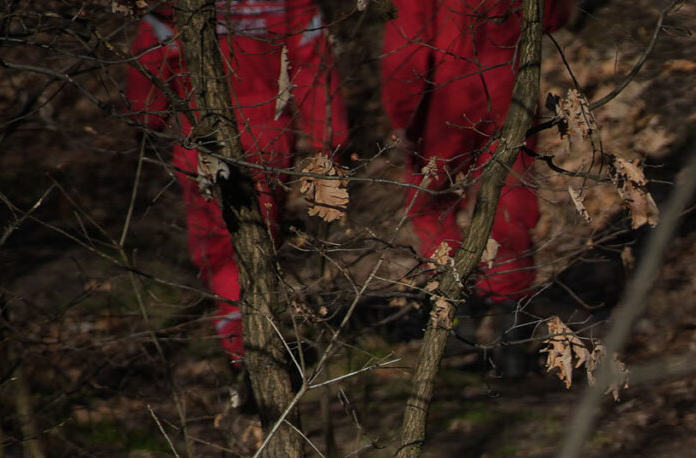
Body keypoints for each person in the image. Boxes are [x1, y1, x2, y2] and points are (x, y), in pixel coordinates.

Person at [125, 1, 349, 363]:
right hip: (266, 135)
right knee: (257, 238)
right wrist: (327, 137)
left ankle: (243, 349)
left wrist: (143, 121)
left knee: (220, 244)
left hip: (203, 133)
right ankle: (253, 345)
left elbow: (151, 62)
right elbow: (313, 64)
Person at [381, 0, 572, 362]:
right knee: (509, 192)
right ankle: (508, 323)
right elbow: (553, 15)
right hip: (510, 81)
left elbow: (407, 41)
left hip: (445, 91)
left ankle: (455, 308)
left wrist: (402, 112)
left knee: (428, 199)